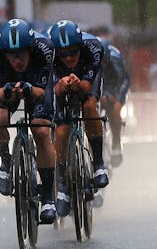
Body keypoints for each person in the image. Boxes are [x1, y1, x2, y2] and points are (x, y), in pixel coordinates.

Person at [0, 18, 58, 224]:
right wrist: (9, 90)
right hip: (6, 85)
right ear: (4, 53)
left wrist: (27, 89)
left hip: (37, 84)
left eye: (22, 55)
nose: (18, 60)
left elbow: (41, 91)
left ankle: (47, 198)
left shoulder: (44, 49)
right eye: (12, 55)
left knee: (41, 131)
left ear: (30, 49)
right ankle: (6, 161)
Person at [48, 20, 108, 217]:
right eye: (63, 54)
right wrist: (61, 85)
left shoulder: (93, 48)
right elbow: (53, 89)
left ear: (80, 46)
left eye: (73, 52)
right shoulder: (48, 54)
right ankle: (63, 182)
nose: (68, 57)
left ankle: (98, 164)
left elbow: (86, 87)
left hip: (86, 77)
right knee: (62, 129)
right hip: (59, 79)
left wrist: (78, 83)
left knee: (89, 106)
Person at [98, 37, 130, 167]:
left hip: (116, 84)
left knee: (115, 108)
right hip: (99, 84)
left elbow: (123, 81)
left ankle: (116, 140)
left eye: (104, 62)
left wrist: (114, 97)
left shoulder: (114, 58)